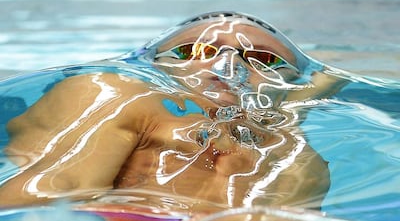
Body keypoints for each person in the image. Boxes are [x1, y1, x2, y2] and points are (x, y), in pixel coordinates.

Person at [0, 12, 347, 212]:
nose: (229, 65)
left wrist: (292, 108)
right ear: (154, 67)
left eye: (266, 60)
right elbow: (54, 191)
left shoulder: (293, 150)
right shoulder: (116, 91)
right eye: (194, 50)